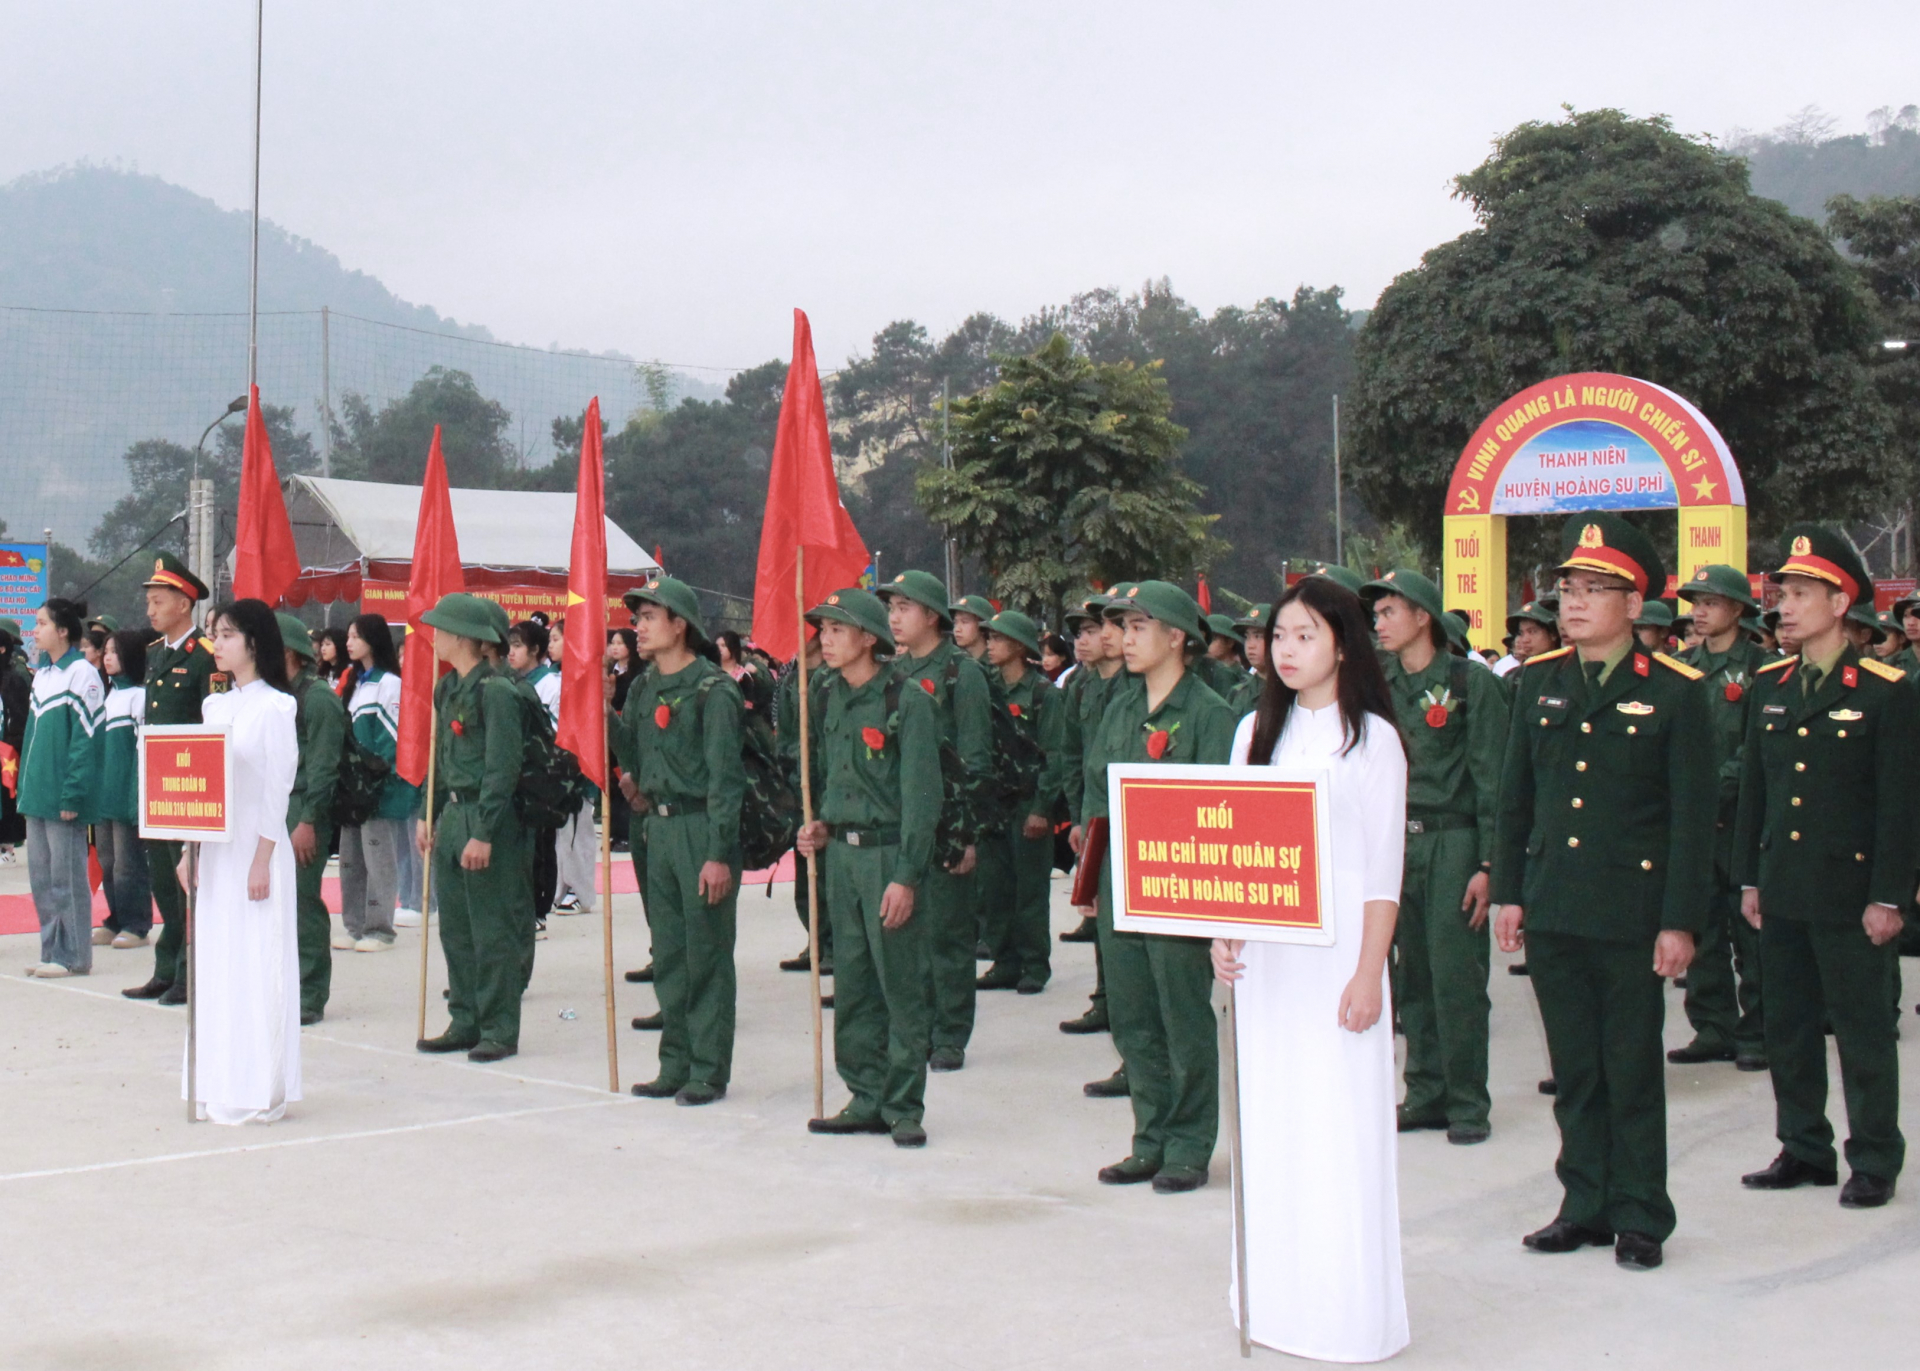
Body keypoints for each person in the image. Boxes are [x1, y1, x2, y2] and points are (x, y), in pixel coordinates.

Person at [1493, 514, 1715, 1272]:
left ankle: (1641, 1211)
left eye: (1595, 589)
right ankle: (1582, 1203)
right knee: (1576, 1068)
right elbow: (1515, 798)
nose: (1575, 602)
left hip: (1631, 911)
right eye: (1567, 588)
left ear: (1635, 603)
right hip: (1555, 903)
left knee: (1630, 1065)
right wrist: (1511, 892)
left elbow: (1692, 819)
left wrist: (1680, 919)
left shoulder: (1677, 692)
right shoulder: (1538, 682)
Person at [1213, 575, 1410, 1362]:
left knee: (1338, 1135)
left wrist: (1369, 974)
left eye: (1305, 635)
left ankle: (1345, 1316)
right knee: (1273, 1130)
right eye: (1279, 636)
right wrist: (1220, 935)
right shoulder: (1254, 734)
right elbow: (1230, 852)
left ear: (1342, 643)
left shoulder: (1372, 740)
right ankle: (1273, 1304)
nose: (1287, 650)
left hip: (1337, 965)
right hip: (1269, 969)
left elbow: (1380, 873)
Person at [1733, 525, 1918, 1210]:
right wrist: (1749, 877)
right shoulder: (1769, 684)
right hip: (1783, 886)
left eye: (1801, 593)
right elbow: (1755, 790)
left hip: (1851, 891)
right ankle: (1804, 1145)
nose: (1783, 605)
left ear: (1840, 602)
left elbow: (1900, 806)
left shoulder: (1885, 691)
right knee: (1788, 1025)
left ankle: (1872, 1155)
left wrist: (1890, 897)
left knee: (1863, 1028)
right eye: (1781, 593)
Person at [1082, 581, 1236, 1192]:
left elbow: (1224, 809)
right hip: (1122, 876)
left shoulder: (1210, 716)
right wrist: (1093, 878)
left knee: (1182, 1017)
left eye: (1139, 626)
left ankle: (1189, 1144)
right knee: (1133, 1016)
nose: (1125, 637)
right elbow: (1098, 791)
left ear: (1177, 636)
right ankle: (1149, 1136)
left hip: (1181, 880)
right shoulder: (1120, 707)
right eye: (1122, 625)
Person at [1361, 569, 1507, 1145]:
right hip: (1398, 843)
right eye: (1376, 614)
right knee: (1411, 976)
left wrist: (1490, 864)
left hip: (1454, 839)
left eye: (1390, 611)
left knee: (1456, 979)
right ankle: (1424, 1091)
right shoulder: (1377, 686)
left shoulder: (1470, 683)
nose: (1380, 623)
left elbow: (1492, 777)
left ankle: (1468, 1101)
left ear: (1423, 616)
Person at [797, 588, 941, 1148]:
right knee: (853, 980)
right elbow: (834, 777)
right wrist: (822, 825)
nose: (826, 640)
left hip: (887, 855)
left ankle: (904, 1103)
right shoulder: (828, 695)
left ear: (868, 637)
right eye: (823, 631)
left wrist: (906, 876)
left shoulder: (909, 701)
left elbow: (921, 800)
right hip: (844, 857)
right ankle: (865, 1092)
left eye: (837, 629)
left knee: (899, 982)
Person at [621, 579, 747, 1106]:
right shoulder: (643, 687)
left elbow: (724, 781)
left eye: (651, 616)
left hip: (701, 829)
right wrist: (604, 715)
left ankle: (708, 1068)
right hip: (659, 827)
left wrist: (719, 853)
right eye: (639, 617)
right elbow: (630, 748)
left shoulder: (713, 690)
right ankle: (674, 1062)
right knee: (670, 952)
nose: (639, 627)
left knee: (706, 955)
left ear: (680, 625)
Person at [185, 599, 301, 1124]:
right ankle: (216, 1078)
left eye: (228, 634)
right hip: (217, 851)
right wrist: (190, 851)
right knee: (217, 962)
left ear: (254, 642)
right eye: (216, 634)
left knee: (258, 963)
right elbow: (200, 789)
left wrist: (262, 859)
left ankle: (261, 1085)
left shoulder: (277, 707)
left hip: (258, 849)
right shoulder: (215, 707)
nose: (219, 644)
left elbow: (277, 791)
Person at [877, 571, 994, 1073]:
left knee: (947, 935)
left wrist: (967, 835)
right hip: (903, 825)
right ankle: (915, 1026)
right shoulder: (891, 672)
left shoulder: (960, 674)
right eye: (891, 608)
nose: (894, 618)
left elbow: (977, 759)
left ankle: (949, 1033)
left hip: (949, 823)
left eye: (905, 607)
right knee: (908, 936)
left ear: (932, 616)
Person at [417, 593, 533, 1063]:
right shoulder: (448, 689)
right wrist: (428, 811)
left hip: (487, 817)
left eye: (442, 629)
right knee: (457, 929)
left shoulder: (497, 692)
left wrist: (483, 831)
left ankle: (499, 1026)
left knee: (492, 928)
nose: (435, 636)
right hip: (451, 811)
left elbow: (502, 768)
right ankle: (464, 1018)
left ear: (465, 637)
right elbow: (441, 753)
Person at [1671, 565, 1772, 1071]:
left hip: (1742, 818)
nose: (1700, 611)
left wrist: (1713, 790)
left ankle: (1758, 1030)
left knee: (1750, 929)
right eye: (1696, 602)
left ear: (1737, 609)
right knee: (1701, 923)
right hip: (1693, 822)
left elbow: (1758, 747)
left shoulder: (1762, 667)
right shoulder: (1681, 667)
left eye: (1711, 602)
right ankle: (1713, 1027)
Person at [124, 553, 220, 1005]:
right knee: (163, 880)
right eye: (149, 602)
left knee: (188, 883)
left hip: (191, 787)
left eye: (158, 601)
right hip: (158, 784)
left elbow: (214, 725)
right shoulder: (153, 654)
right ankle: (167, 967)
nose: (150, 611)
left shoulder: (205, 657)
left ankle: (191, 972)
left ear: (184, 604)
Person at [974, 610, 1066, 994]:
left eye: (997, 638)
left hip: (1028, 805)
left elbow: (1056, 755)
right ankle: (1004, 959)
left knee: (1029, 891)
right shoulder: (985, 688)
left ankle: (1033, 963)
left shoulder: (1044, 695)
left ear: (1017, 646)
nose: (990, 645)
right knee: (994, 889)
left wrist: (1042, 808)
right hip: (993, 806)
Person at [18, 597, 104, 977]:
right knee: (41, 878)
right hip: (36, 793)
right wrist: (24, 787)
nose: (34, 631)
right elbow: (32, 736)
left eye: (41, 624)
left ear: (63, 631)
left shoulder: (82, 674)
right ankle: (51, 951)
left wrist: (73, 793)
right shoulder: (44, 675)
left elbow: (85, 742)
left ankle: (75, 955)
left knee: (66, 877)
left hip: (62, 798)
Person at [1060, 593, 1124, 1046]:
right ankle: (1107, 1000)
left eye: (1094, 629)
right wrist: (1077, 814)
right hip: (1095, 815)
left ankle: (1120, 1006)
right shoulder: (1082, 686)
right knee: (1102, 917)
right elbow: (1074, 755)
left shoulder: (1131, 687)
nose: (1087, 640)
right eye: (1080, 633)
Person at [277, 613, 347, 1025]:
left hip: (304, 809)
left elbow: (323, 767)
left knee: (302, 902)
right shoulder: (275, 694)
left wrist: (308, 821)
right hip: (276, 807)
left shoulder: (317, 697)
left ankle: (309, 992)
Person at [335, 614, 409, 952]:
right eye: (348, 636)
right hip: (351, 786)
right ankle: (355, 925)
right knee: (350, 857)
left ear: (373, 640)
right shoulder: (353, 681)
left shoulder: (389, 683)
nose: (348, 642)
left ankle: (380, 928)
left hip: (376, 786)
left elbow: (391, 738)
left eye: (355, 636)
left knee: (378, 856)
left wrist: (375, 775)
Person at [774, 631, 833, 977]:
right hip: (797, 786)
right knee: (804, 876)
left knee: (826, 874)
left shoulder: (831, 679)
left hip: (825, 786)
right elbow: (783, 734)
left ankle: (833, 944)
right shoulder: (791, 680)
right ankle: (816, 940)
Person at [93, 629, 153, 950]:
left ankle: (136, 924)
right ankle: (115, 918)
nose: (107, 657)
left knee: (128, 864)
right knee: (107, 861)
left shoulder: (139, 697)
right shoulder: (108, 696)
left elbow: (143, 751)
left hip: (126, 794)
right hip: (104, 796)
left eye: (114, 652)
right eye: (105, 651)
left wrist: (136, 796)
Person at [508, 618, 563, 929]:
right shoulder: (516, 683)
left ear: (536, 650)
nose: (511, 653)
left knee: (541, 846)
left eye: (518, 646)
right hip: (520, 774)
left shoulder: (550, 684)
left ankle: (539, 910)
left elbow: (554, 732)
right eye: (510, 646)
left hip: (542, 774)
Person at [0, 618, 30, 866]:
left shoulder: (16, 673)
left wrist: (12, 742)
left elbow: (19, 714)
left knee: (7, 796)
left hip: (8, 747)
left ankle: (7, 846)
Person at [607, 627, 639, 850]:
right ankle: (616, 832)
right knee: (612, 784)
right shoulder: (611, 672)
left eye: (620, 643)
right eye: (613, 643)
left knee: (626, 779)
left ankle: (627, 833)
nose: (614, 647)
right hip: (610, 730)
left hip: (625, 729)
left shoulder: (636, 675)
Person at [1496, 602, 1559, 677]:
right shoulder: (1514, 678)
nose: (1525, 640)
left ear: (1553, 633)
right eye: (1521, 633)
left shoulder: (1569, 671)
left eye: (1532, 632)